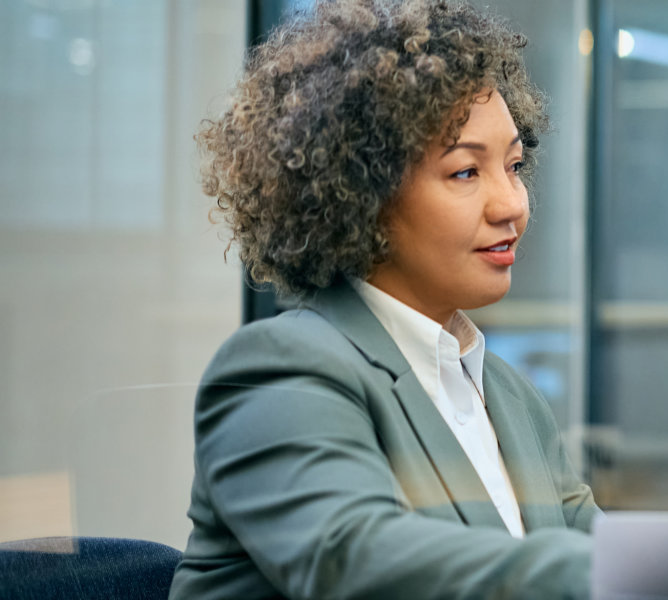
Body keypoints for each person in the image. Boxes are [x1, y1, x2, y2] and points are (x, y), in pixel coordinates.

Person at [170, 1, 599, 597]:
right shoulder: (280, 369)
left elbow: (602, 547)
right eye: (465, 173)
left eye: (514, 166)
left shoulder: (509, 394)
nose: (513, 205)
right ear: (360, 194)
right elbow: (355, 559)